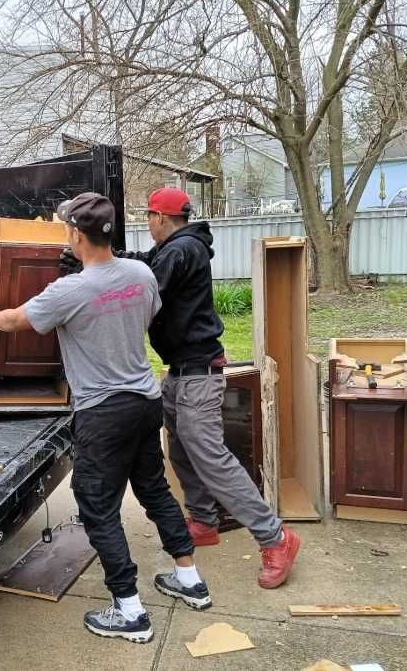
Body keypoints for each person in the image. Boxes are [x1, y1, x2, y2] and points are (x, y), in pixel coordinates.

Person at [0, 193, 211, 644]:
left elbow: (16, 321)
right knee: (154, 490)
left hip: (103, 411)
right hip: (144, 401)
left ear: (76, 234)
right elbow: (147, 310)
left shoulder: (69, 291)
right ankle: (190, 580)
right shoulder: (140, 273)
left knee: (96, 505)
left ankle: (130, 610)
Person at [63, 188, 300, 589]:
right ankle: (204, 520)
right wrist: (100, 258)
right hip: (181, 372)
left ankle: (275, 537)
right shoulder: (175, 248)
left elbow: (140, 286)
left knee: (211, 458)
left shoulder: (182, 249)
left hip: (197, 374)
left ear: (159, 217)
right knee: (181, 451)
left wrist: (91, 265)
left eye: (149, 216)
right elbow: (141, 265)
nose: (148, 224)